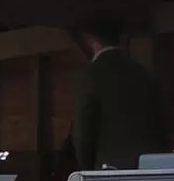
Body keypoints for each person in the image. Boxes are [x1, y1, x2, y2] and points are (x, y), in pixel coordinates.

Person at [69, 11, 165, 171]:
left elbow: (83, 132)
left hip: (111, 168)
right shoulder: (144, 73)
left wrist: (86, 168)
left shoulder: (92, 74)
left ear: (88, 38)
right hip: (150, 166)